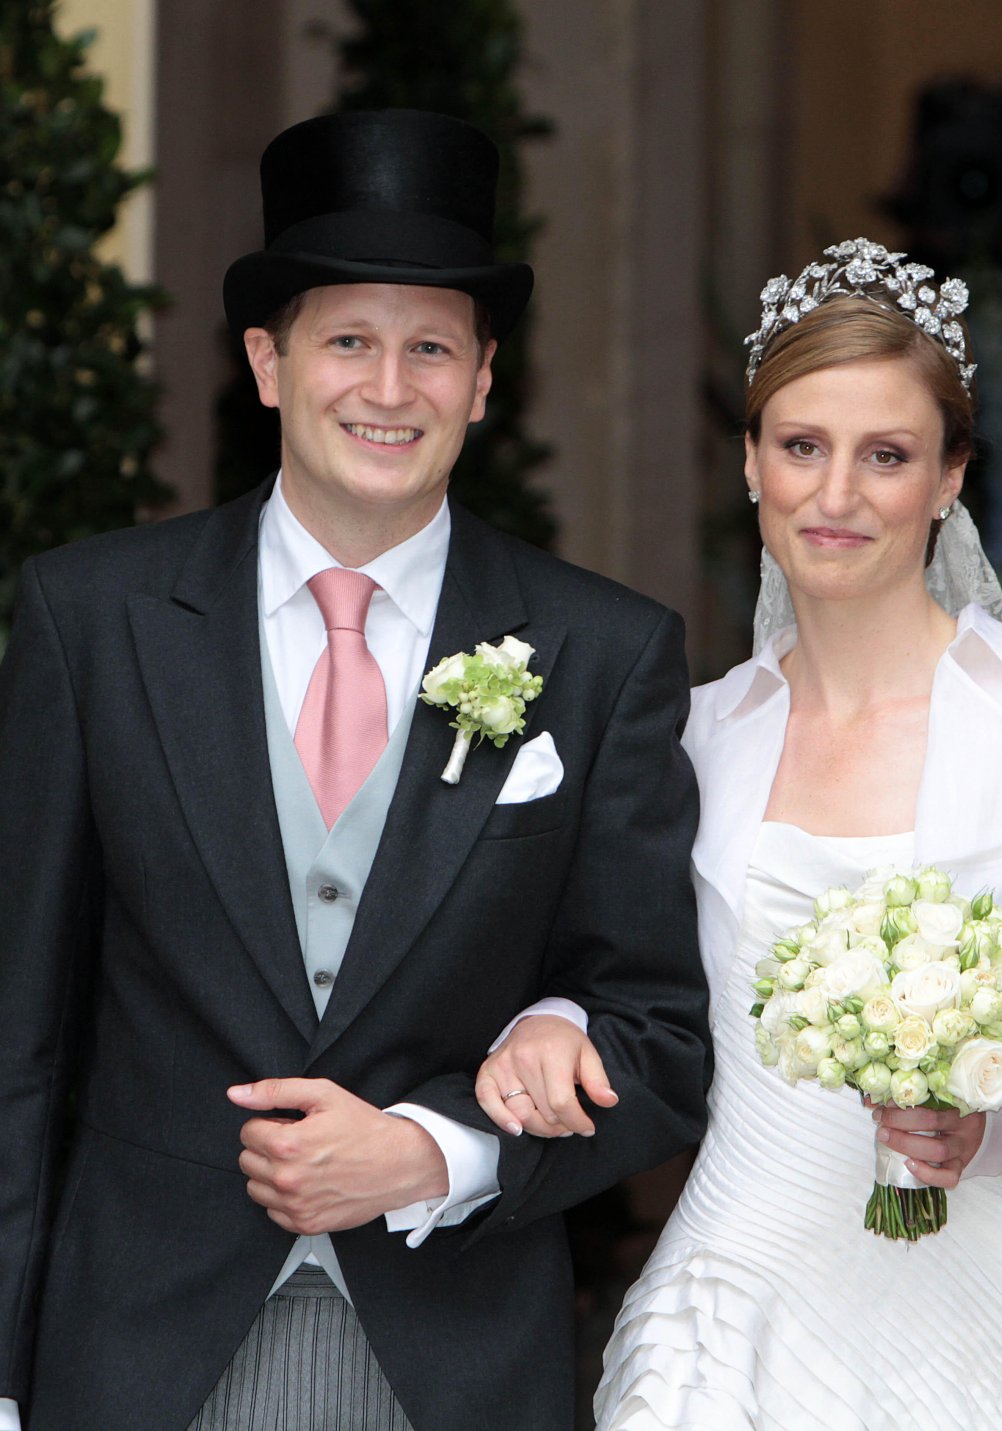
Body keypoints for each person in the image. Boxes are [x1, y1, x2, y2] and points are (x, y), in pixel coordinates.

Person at [0, 109, 711, 1431]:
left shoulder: (605, 649)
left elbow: (660, 1032)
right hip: (131, 1354)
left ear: (486, 379)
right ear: (267, 363)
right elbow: (17, 1032)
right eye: (349, 341)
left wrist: (434, 1150)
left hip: (451, 1361)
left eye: (431, 347)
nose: (389, 388)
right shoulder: (88, 619)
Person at [478, 238, 1002, 1429]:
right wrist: (554, 1018)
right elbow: (612, 968)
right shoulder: (695, 736)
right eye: (802, 447)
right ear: (751, 463)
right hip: (733, 1297)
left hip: (993, 1311)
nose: (837, 494)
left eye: (888, 456)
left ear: (951, 477)